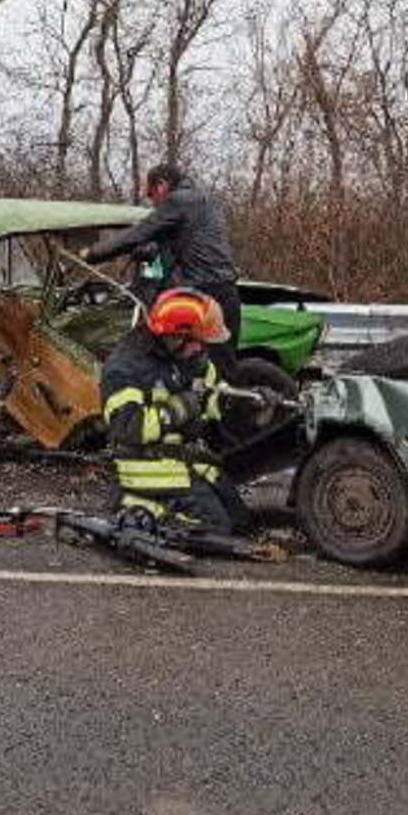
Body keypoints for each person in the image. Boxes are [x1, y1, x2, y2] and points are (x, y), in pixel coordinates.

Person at [98, 287, 252, 536]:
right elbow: (128, 428)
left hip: (182, 460)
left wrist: (246, 403)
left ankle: (159, 504)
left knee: (241, 520)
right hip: (147, 466)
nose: (202, 349)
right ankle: (138, 507)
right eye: (198, 341)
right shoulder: (124, 369)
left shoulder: (186, 358)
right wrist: (181, 407)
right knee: (215, 529)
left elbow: (212, 395)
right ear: (177, 335)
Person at [83, 164, 241, 358]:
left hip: (201, 295)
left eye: (151, 195)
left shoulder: (178, 200)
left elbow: (138, 233)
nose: (153, 203)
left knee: (177, 361)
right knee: (223, 367)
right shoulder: (205, 202)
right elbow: (181, 244)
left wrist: (92, 253)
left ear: (161, 185)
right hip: (227, 291)